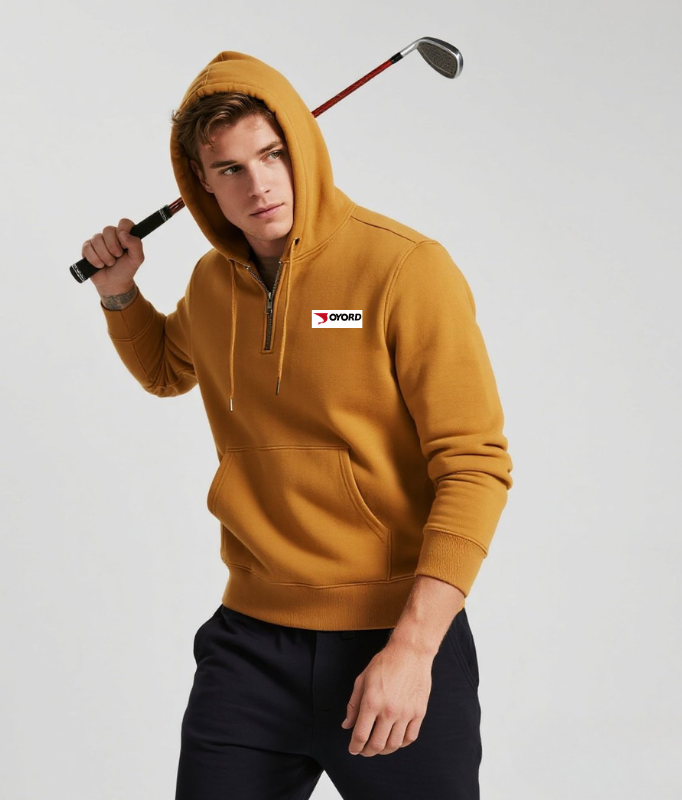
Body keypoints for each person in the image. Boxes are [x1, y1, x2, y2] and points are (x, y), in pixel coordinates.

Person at [81, 50, 513, 800]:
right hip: (249, 645)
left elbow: (474, 465)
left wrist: (414, 649)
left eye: (272, 154)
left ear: (303, 147)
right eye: (230, 169)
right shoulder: (213, 283)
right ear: (200, 185)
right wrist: (118, 293)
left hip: (393, 635)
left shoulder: (405, 268)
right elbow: (168, 370)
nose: (259, 185)